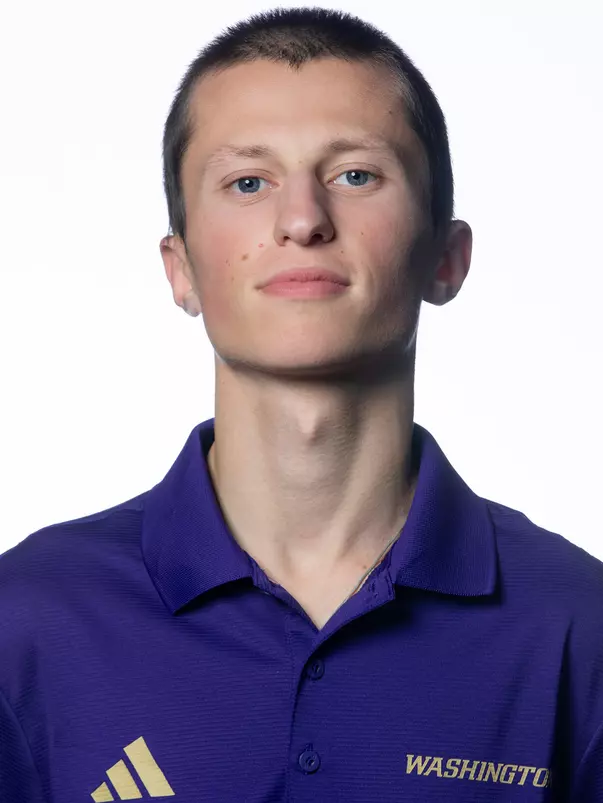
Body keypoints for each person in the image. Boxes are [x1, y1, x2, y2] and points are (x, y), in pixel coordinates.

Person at [0, 7, 601, 802]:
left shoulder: (576, 627)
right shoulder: (28, 621)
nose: (301, 220)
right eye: (248, 182)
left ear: (446, 258)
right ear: (180, 270)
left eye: (355, 174)